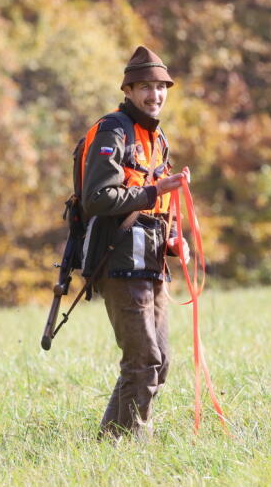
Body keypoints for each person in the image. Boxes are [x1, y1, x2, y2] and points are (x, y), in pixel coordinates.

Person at [79, 45, 189, 440]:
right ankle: (131, 446)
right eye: (145, 86)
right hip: (117, 259)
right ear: (127, 90)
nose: (154, 95)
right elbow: (97, 198)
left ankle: (111, 440)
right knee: (143, 359)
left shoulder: (157, 137)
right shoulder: (114, 131)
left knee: (158, 364)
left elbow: (157, 199)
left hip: (151, 262)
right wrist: (153, 191)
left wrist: (174, 237)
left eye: (161, 87)